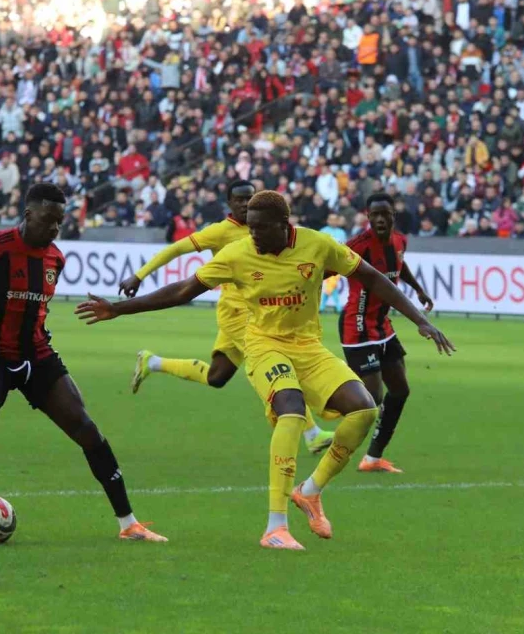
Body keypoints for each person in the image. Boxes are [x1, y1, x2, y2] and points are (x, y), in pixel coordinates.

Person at [77, 191, 454, 550]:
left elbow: (372, 276)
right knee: (290, 410)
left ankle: (310, 491)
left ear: (283, 224)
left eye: (259, 226)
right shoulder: (238, 253)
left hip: (308, 345)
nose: (252, 233)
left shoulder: (317, 245)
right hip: (262, 344)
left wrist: (420, 320)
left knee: (365, 408)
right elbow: (182, 290)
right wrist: (117, 309)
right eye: (250, 225)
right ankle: (276, 527)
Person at [0, 183, 167, 542]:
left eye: (60, 222)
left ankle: (128, 524)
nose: (55, 228)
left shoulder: (55, 258)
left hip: (37, 356)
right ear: (28, 215)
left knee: (87, 430)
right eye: (49, 220)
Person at [117, 180, 336, 455]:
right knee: (281, 366)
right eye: (239, 199)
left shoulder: (269, 228)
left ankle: (153, 361)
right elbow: (176, 249)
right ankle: (312, 434)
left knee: (217, 376)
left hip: (257, 312)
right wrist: (139, 274)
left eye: (250, 198)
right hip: (238, 316)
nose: (245, 203)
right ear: (229, 203)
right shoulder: (220, 232)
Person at [339, 194, 434, 474]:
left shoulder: (400, 241)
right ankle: (324, 404)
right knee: (372, 401)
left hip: (383, 327)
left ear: (393, 215)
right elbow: (327, 269)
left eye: (386, 214)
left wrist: (417, 288)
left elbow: (399, 265)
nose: (380, 219)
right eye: (375, 214)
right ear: (368, 217)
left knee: (400, 390)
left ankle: (372, 458)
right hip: (357, 326)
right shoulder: (357, 246)